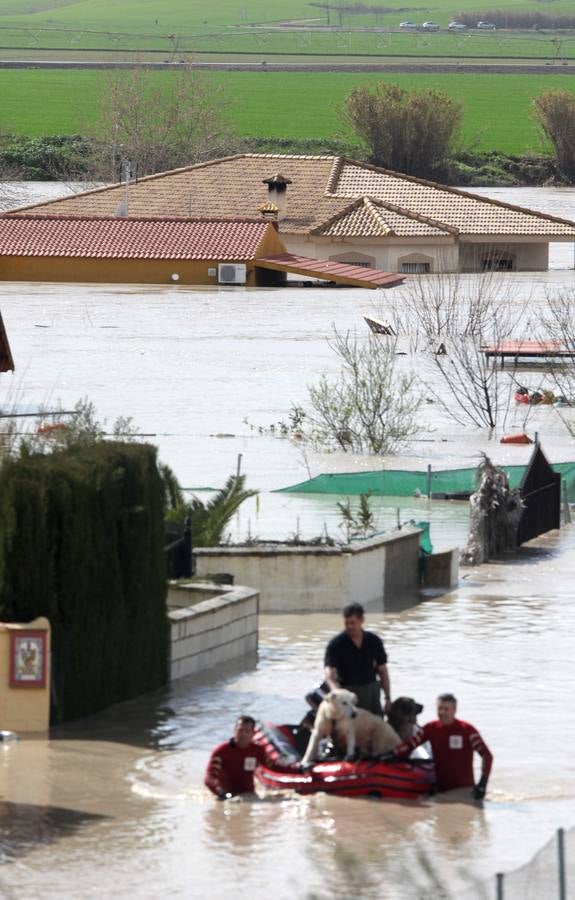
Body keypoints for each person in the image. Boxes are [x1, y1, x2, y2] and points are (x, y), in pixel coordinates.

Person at [393, 693, 493, 799]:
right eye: (439, 708)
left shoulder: (467, 730)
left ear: (454, 710)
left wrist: (483, 783)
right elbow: (410, 745)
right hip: (441, 791)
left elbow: (487, 756)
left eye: (446, 709)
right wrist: (392, 754)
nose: (442, 712)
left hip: (465, 790)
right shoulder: (431, 728)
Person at [324, 602, 391, 716]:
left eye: (353, 623)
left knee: (376, 727)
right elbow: (330, 672)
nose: (349, 626)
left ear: (362, 620)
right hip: (349, 693)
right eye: (346, 623)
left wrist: (388, 698)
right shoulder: (336, 644)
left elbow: (383, 671)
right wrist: (336, 692)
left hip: (371, 692)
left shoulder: (374, 641)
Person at [204, 715, 268, 799]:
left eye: (247, 731)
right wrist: (220, 792)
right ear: (234, 731)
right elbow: (209, 778)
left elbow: (272, 766)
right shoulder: (221, 751)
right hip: (226, 796)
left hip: (249, 795)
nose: (243, 734)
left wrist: (290, 768)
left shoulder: (258, 750)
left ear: (253, 734)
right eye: (240, 730)